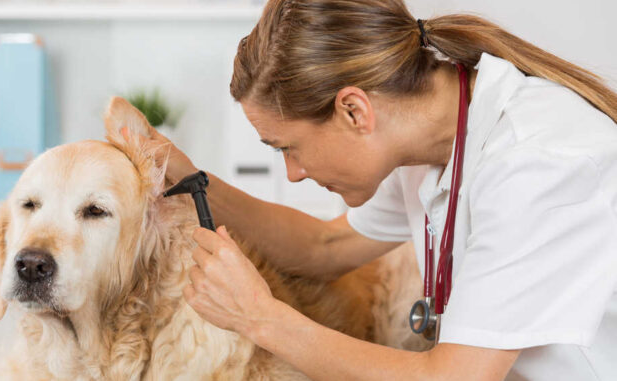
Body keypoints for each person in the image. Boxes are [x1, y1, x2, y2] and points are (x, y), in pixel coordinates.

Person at [144, 0, 617, 379]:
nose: (292, 172)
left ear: (354, 111)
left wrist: (258, 318)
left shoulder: (535, 163)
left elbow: (453, 379)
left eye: (287, 147)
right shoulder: (429, 137)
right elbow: (323, 247)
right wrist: (190, 179)